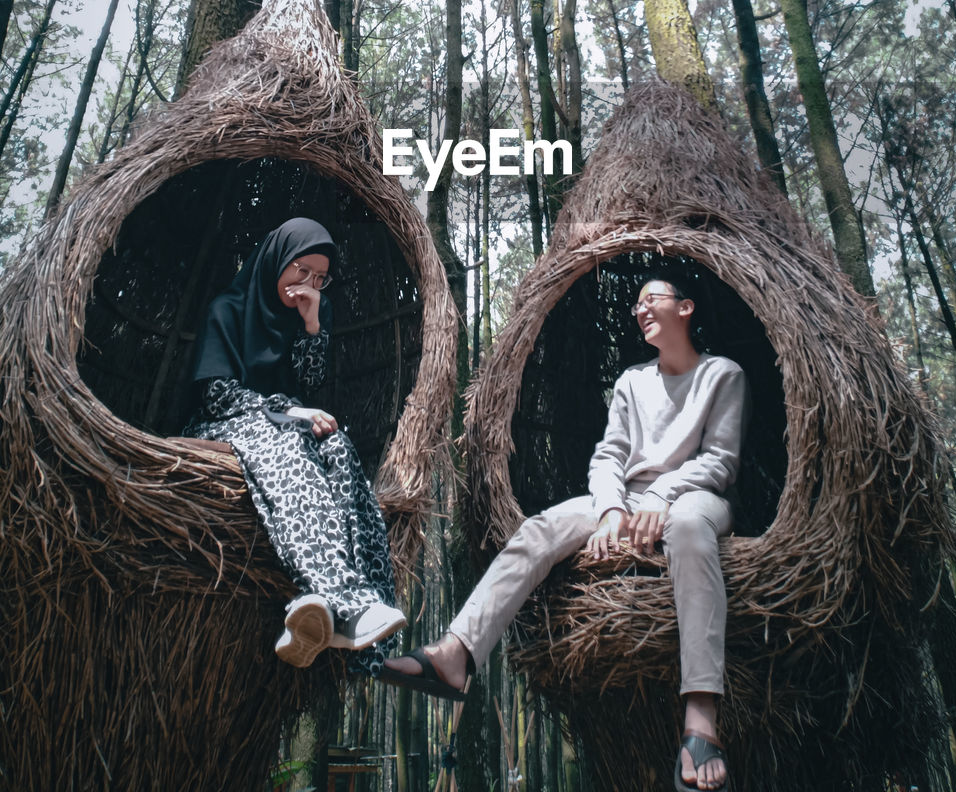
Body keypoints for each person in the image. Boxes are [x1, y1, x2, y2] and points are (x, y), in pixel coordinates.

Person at [382, 270, 745, 792]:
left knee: (688, 528)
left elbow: (720, 460)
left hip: (696, 499)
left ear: (685, 308)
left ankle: (701, 719)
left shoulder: (723, 375)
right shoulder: (631, 382)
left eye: (652, 301)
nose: (641, 310)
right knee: (539, 530)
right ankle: (455, 654)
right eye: (637, 304)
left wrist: (665, 501)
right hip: (626, 497)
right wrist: (612, 512)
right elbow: (610, 456)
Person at [183, 217, 405, 674]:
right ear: (277, 261)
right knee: (285, 441)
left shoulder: (298, 321)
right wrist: (289, 410)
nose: (308, 284)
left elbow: (310, 383)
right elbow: (216, 393)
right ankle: (345, 602)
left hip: (282, 424)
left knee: (339, 448)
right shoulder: (227, 310)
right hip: (223, 425)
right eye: (301, 271)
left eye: (320, 278)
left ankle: (356, 618)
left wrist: (310, 324)